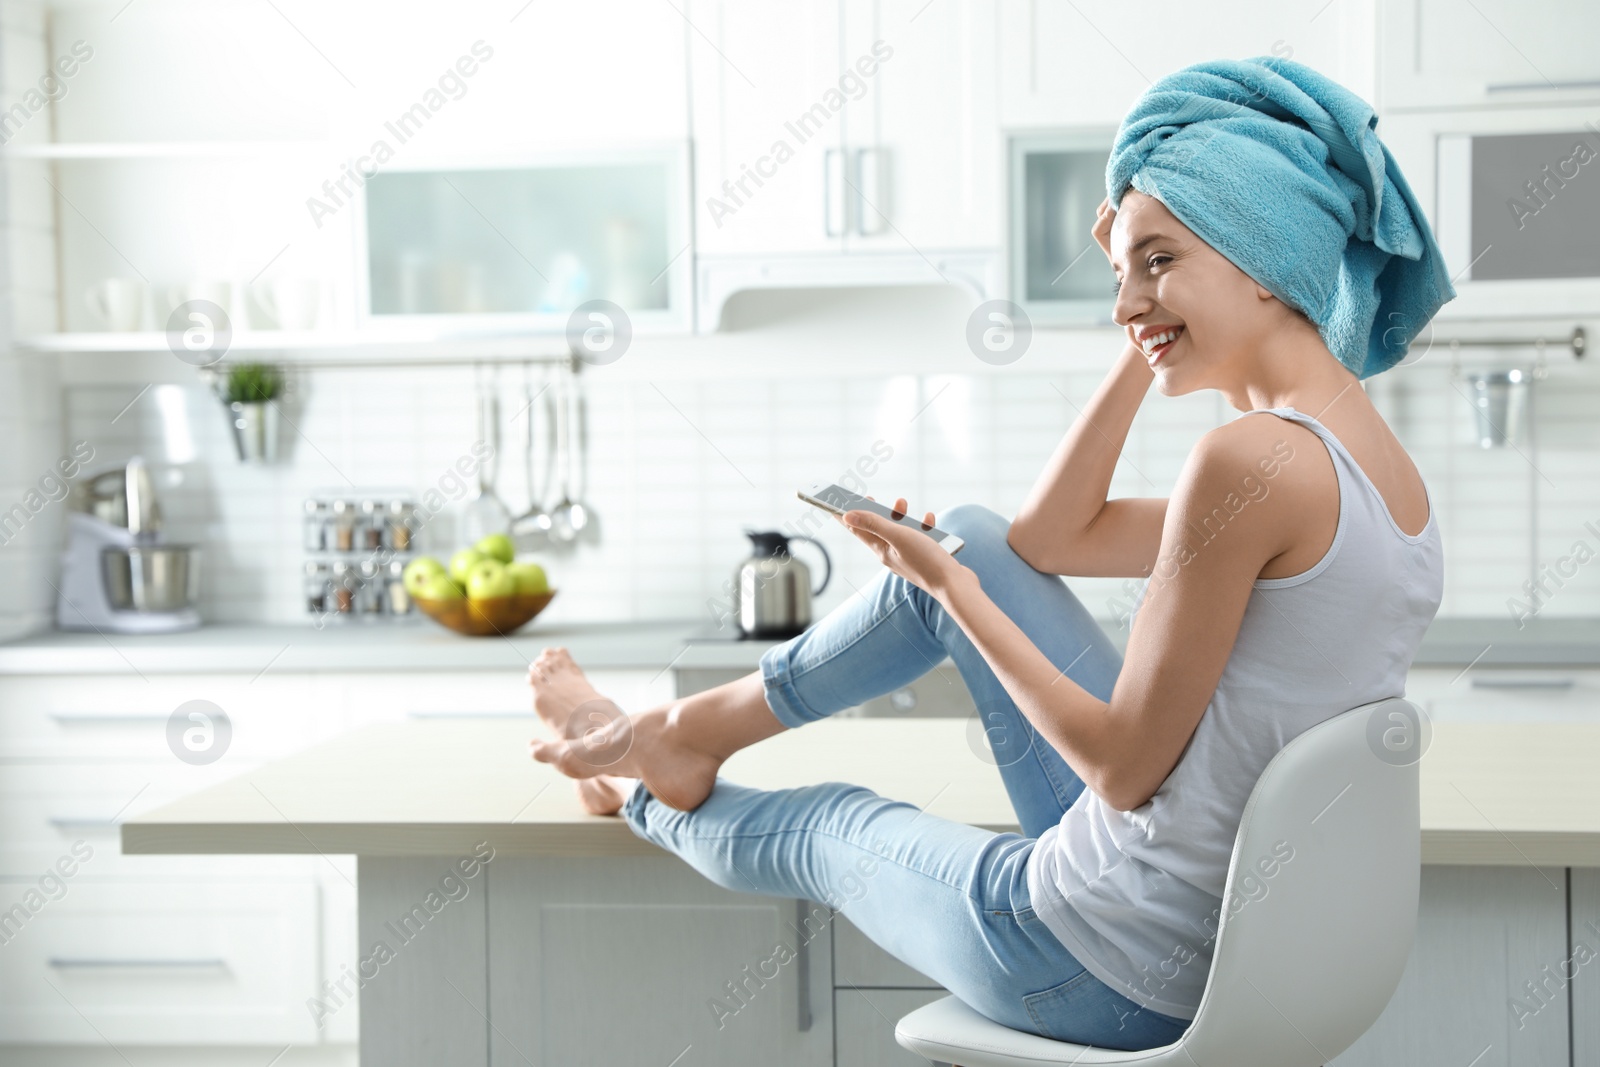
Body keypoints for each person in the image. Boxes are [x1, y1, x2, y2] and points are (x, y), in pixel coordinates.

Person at [526, 55, 1448, 1051]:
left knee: (833, 816)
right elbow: (1050, 539)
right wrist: (1154, 312)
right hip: (1200, 917)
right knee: (968, 529)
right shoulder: (1363, 467)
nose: (1122, 304)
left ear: (1261, 256)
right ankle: (689, 727)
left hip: (1090, 956)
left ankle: (632, 783)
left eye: (1156, 261)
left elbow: (1124, 770)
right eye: (1121, 274)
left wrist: (950, 590)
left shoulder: (1247, 463)